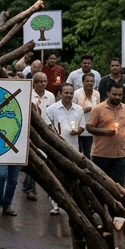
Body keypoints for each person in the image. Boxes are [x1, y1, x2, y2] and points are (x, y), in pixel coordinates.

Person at [44, 84, 86, 214]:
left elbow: (82, 126)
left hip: (73, 148)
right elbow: (46, 126)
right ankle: (55, 203)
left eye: (71, 93)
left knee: (71, 176)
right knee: (56, 176)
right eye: (66, 93)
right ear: (60, 94)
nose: (68, 95)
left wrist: (78, 131)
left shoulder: (78, 109)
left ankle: (72, 203)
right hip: (56, 148)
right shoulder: (52, 109)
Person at [87, 83, 125, 186]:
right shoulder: (98, 109)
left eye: (120, 95)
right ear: (108, 93)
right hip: (100, 154)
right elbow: (89, 127)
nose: (117, 97)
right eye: (114, 94)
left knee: (118, 186)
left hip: (119, 155)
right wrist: (104, 132)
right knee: (99, 185)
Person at [21, 73, 55, 201]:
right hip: (31, 131)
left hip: (45, 131)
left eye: (45, 81)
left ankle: (42, 187)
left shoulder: (50, 96)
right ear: (34, 83)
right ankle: (30, 189)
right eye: (40, 81)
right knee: (34, 159)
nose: (43, 84)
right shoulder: (28, 95)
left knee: (44, 158)